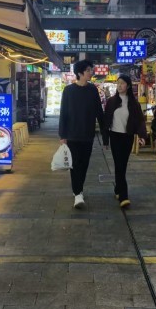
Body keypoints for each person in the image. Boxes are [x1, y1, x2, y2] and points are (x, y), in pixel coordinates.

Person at [59, 59, 106, 209]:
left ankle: (78, 190)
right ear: (80, 73)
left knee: (84, 164)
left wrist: (105, 135)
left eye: (91, 70)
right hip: (72, 135)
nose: (91, 73)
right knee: (74, 164)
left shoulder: (93, 90)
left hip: (88, 134)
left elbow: (99, 112)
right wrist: (62, 135)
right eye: (88, 70)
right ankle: (78, 193)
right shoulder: (68, 91)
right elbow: (63, 113)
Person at [102, 75, 146, 208]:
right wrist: (105, 140)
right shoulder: (111, 101)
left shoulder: (134, 103)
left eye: (122, 83)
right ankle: (124, 196)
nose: (119, 85)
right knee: (119, 164)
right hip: (115, 136)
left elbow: (139, 120)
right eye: (118, 83)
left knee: (122, 165)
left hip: (128, 137)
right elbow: (106, 121)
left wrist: (142, 136)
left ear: (128, 85)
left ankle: (118, 188)